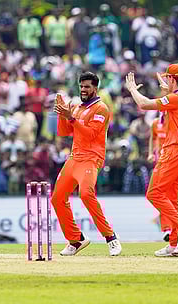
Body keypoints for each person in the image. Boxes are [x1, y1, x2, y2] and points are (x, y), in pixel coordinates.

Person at [125, 65, 178, 257]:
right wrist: (167, 90)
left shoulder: (175, 99)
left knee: (154, 193)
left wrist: (132, 90)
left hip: (173, 151)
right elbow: (173, 110)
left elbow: (144, 104)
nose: (166, 82)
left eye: (168, 79)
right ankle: (174, 244)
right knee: (174, 199)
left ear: (173, 80)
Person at [52, 72, 122, 257]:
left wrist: (72, 118)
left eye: (87, 87)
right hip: (74, 158)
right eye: (81, 86)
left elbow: (90, 134)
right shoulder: (77, 107)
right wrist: (62, 113)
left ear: (95, 88)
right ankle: (76, 240)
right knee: (57, 198)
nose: (83, 89)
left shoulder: (101, 109)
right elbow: (63, 132)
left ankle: (110, 237)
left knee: (86, 194)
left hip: (92, 158)